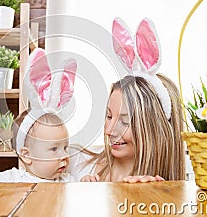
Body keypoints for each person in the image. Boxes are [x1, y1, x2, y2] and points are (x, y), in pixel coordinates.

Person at [69, 17, 185, 182]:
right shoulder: (76, 164)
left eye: (125, 122)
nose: (109, 130)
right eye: (109, 117)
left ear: (155, 128)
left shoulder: (170, 186)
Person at [0, 48, 78, 183]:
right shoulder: (13, 179)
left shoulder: (67, 180)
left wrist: (87, 182)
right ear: (26, 155)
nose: (64, 155)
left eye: (65, 147)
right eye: (54, 149)